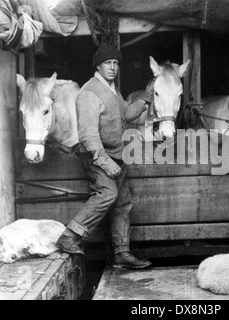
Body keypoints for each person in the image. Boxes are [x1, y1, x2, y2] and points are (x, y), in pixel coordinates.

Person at [56, 44, 152, 269]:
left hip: (117, 155)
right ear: (97, 65)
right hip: (98, 157)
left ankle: (121, 253)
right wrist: (105, 162)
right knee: (107, 194)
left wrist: (146, 97)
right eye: (108, 63)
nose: (112, 67)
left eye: (116, 63)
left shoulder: (112, 90)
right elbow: (88, 134)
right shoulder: (89, 92)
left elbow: (127, 114)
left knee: (122, 203)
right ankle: (69, 236)